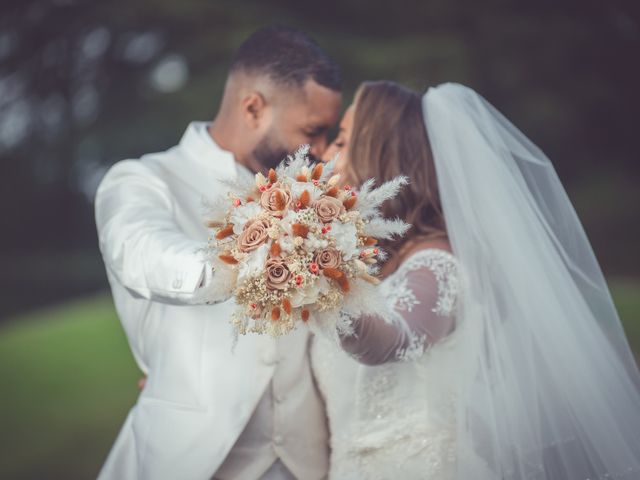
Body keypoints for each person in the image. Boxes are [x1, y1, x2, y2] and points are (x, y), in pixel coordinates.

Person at [312, 81, 640, 479]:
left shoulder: (435, 265)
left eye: (343, 141)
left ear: (381, 157)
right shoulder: (379, 267)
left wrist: (317, 283)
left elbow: (392, 340)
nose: (327, 153)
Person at [94, 26, 341, 480]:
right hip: (191, 458)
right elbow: (142, 256)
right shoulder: (144, 179)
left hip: (308, 461)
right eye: (312, 131)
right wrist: (254, 260)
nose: (323, 151)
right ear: (253, 108)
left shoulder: (319, 199)